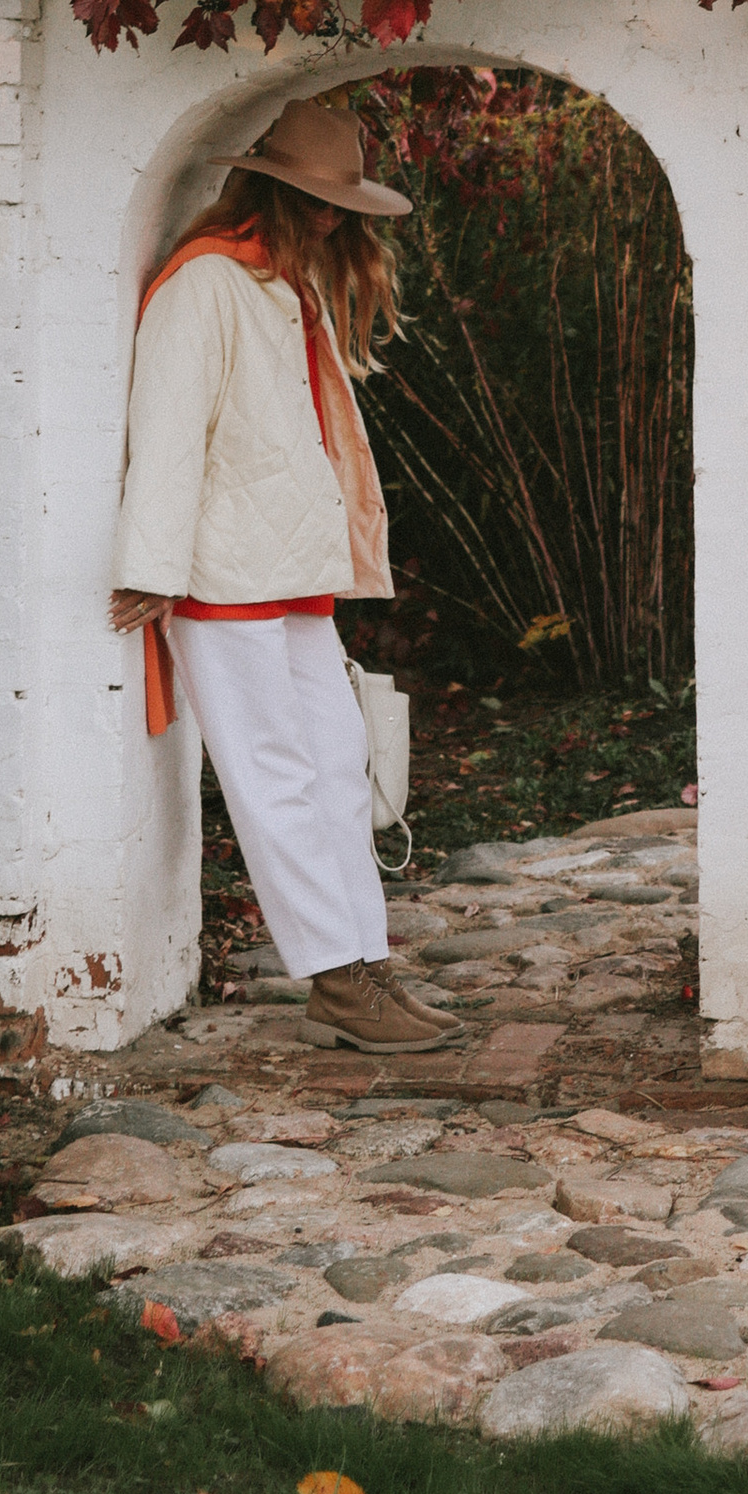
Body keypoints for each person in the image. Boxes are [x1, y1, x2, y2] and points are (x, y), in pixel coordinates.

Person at [110, 95, 449, 1057]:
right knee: (275, 779)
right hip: (222, 578)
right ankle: (336, 981)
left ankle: (363, 956)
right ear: (267, 185)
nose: (332, 216)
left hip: (291, 568)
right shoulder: (205, 284)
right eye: (316, 197)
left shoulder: (278, 284)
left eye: (341, 202)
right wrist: (153, 567)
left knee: (339, 765)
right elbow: (168, 431)